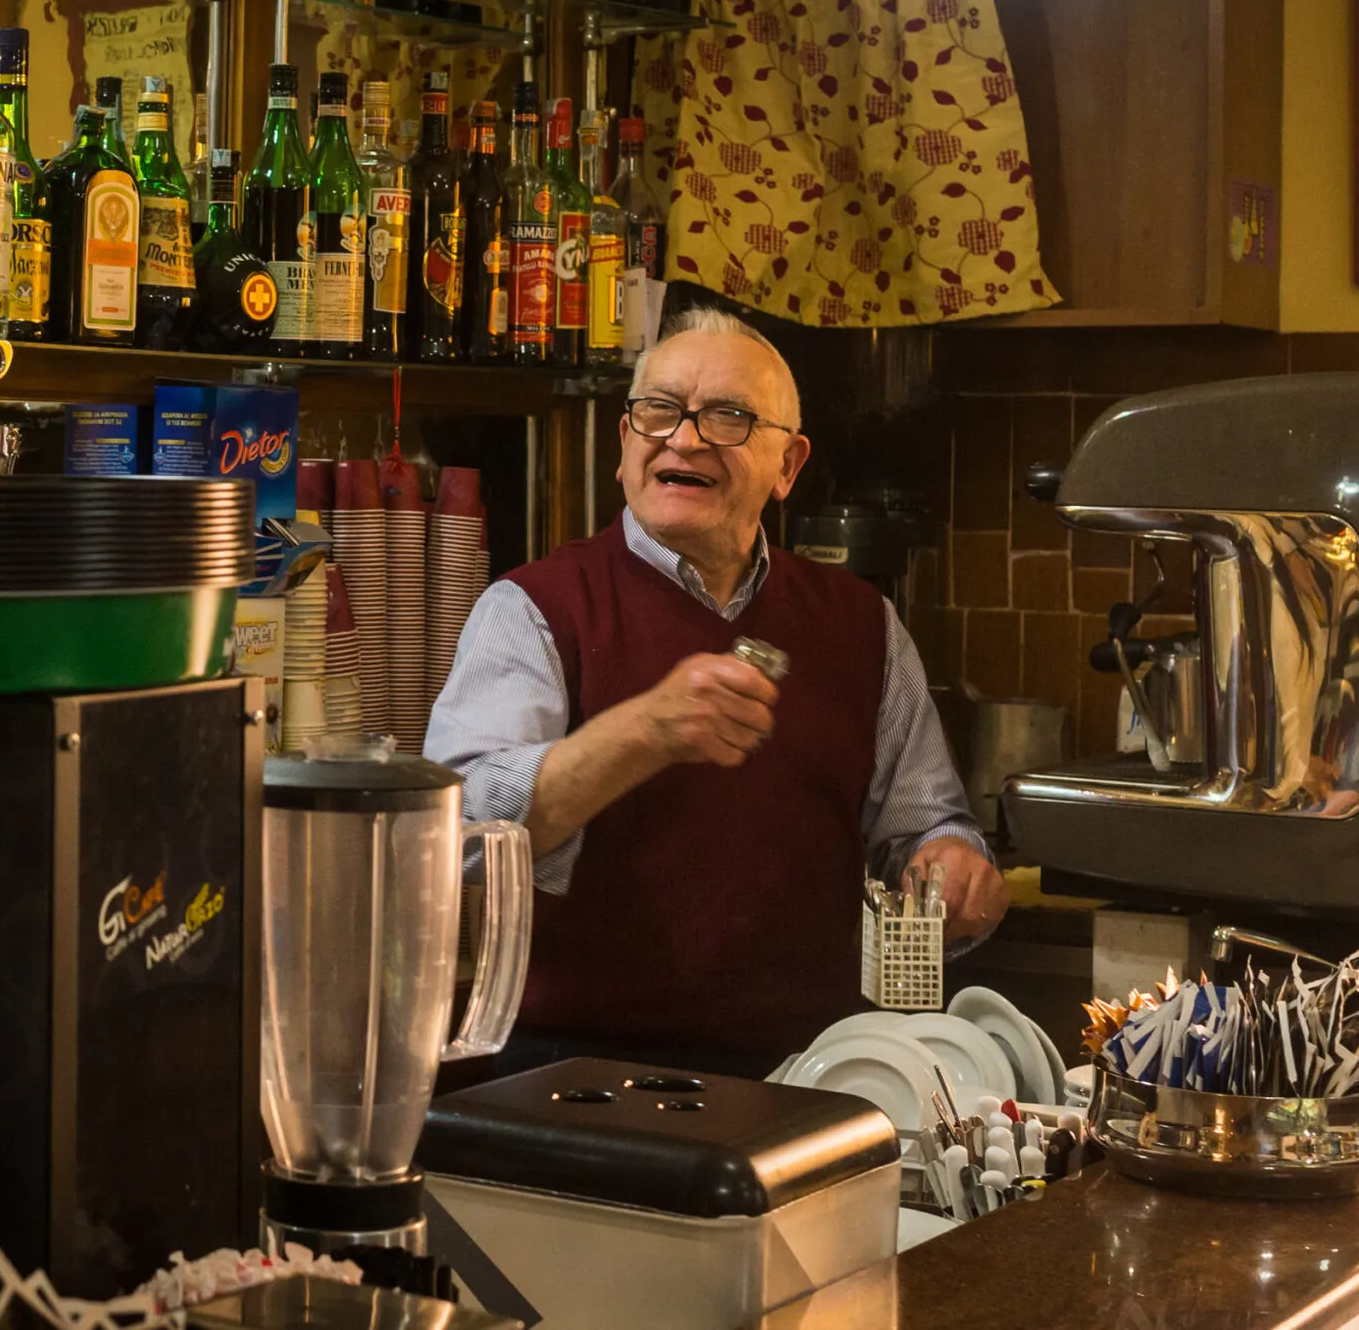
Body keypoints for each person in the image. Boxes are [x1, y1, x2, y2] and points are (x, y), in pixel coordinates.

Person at [426, 306, 1007, 1073]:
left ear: (789, 466)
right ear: (625, 444)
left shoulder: (862, 622)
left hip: (817, 1074)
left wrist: (955, 863)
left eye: (728, 416)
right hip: (577, 1073)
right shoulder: (534, 608)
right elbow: (457, 831)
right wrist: (644, 731)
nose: (685, 437)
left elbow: (923, 828)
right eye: (659, 410)